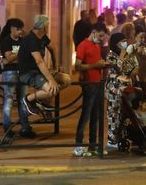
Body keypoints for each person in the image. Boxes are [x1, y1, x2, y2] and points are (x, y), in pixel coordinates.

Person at [19, 15, 71, 121]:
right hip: (29, 73)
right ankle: (28, 99)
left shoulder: (43, 37)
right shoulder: (30, 39)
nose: (48, 27)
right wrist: (51, 80)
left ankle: (43, 101)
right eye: (48, 25)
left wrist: (55, 67)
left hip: (39, 72)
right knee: (52, 90)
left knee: (66, 80)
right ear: (44, 27)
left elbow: (53, 47)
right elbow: (39, 61)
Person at [73, 23, 108, 157]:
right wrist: (95, 65)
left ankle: (93, 145)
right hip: (89, 85)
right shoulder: (83, 45)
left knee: (96, 116)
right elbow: (77, 66)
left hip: (97, 84)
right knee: (86, 115)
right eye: (99, 36)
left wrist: (101, 65)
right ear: (93, 32)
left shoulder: (97, 46)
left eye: (102, 37)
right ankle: (78, 144)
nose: (100, 39)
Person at [0, 18, 31, 141]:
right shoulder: (6, 41)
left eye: (21, 29)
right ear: (12, 28)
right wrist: (19, 55)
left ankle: (25, 126)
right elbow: (8, 58)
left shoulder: (23, 40)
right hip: (10, 72)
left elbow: (25, 58)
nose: (20, 31)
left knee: (23, 99)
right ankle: (7, 126)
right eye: (18, 29)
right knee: (9, 99)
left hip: (22, 71)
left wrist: (13, 57)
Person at [129, 27, 146, 95]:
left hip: (144, 79)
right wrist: (137, 53)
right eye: (141, 37)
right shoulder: (130, 48)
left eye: (144, 37)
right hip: (133, 79)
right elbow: (127, 61)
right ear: (135, 37)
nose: (143, 40)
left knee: (142, 97)